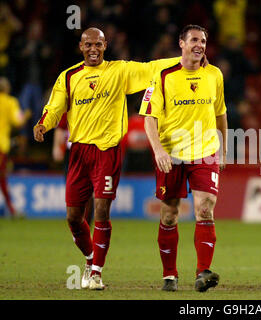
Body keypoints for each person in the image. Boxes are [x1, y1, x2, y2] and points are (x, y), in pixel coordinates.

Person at [33, 27, 190, 290]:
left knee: (102, 210)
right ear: (81, 47)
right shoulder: (69, 76)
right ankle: (90, 257)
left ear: (105, 46)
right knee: (73, 216)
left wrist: (186, 58)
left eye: (98, 44)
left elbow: (152, 68)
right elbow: (55, 106)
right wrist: (43, 125)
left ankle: (96, 273)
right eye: (88, 45)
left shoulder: (120, 71)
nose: (93, 49)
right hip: (79, 151)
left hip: (107, 150)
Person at [139, 25, 227, 292]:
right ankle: (170, 275)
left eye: (203, 40)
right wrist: (159, 151)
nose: (199, 45)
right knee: (169, 214)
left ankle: (203, 272)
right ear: (181, 43)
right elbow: (149, 119)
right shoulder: (163, 76)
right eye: (194, 40)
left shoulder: (214, 74)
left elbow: (221, 113)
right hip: (171, 154)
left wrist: (222, 149)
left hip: (205, 151)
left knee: (205, 208)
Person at [52, 113, 94, 226]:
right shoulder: (71, 104)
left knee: (89, 192)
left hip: (91, 149)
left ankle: (85, 225)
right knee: (73, 189)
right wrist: (56, 147)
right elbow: (61, 127)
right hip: (72, 152)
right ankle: (78, 223)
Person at [0, 77, 28, 217]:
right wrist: (27, 115)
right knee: (2, 178)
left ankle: (11, 210)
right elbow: (18, 122)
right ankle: (12, 210)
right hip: (1, 146)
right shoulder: (10, 102)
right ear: (7, 88)